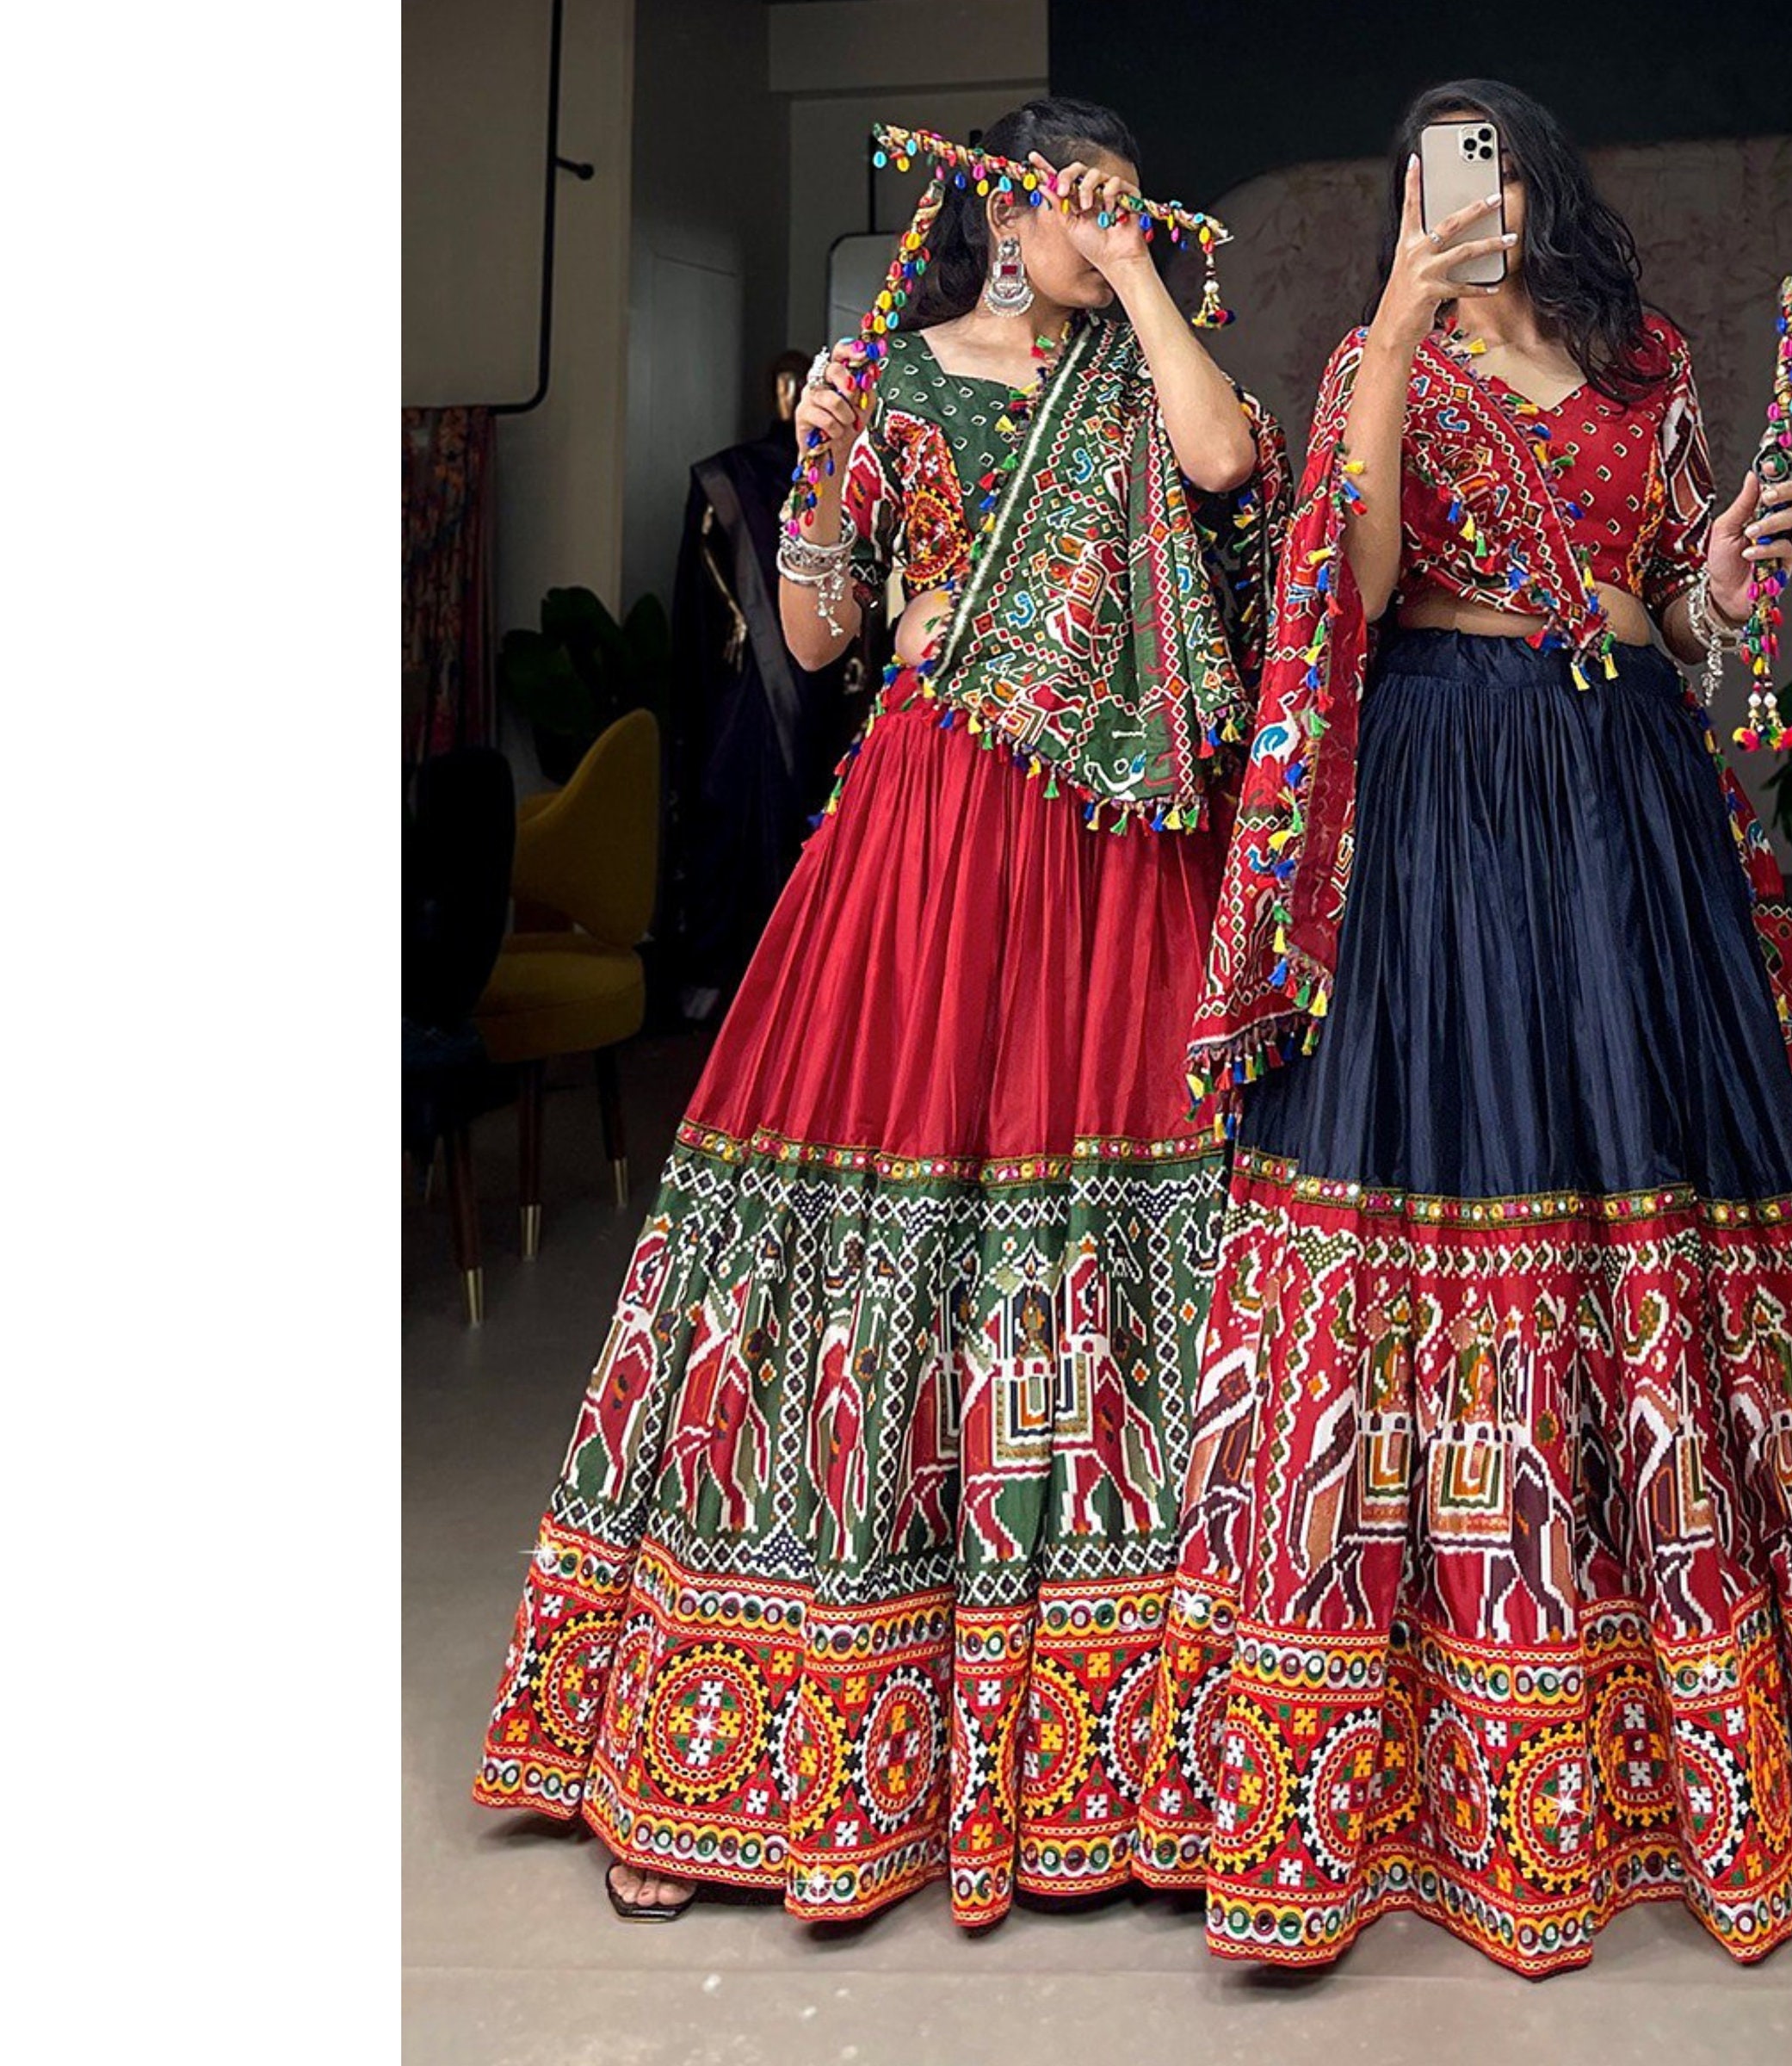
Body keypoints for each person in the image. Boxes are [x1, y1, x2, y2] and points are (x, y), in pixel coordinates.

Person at [1132, 82, 1792, 1976]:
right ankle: (1414, 1758)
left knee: (1656, 1206)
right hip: (1446, 816)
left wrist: (1725, 566)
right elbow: (1351, 593)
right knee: (1460, 1197)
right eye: (1440, 169)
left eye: (1498, 160)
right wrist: (1393, 327)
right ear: (1406, 201)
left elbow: (1688, 618)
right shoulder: (1386, 355)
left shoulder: (1648, 361)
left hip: (1624, 801)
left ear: (1548, 183)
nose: (1476, 193)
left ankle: (1694, 1718)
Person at [473, 95, 1288, 1928]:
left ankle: (1127, 1763)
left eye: (1123, 196)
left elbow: (1235, 473)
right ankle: (736, 1745)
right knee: (863, 1247)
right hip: (928, 839)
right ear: (1004, 210)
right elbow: (824, 637)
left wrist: (1145, 278)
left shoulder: (1153, 375)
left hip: (1118, 851)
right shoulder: (894, 380)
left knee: (1135, 1253)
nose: (1106, 220)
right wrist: (821, 465)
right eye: (1080, 198)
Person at [665, 349, 869, 1021]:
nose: (790, 397)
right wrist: (737, 626)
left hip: (822, 678)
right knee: (736, 802)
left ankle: (804, 980)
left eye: (799, 385)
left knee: (809, 805)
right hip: (747, 680)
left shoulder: (846, 467)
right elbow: (705, 572)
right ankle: (741, 974)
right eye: (783, 385)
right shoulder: (732, 472)